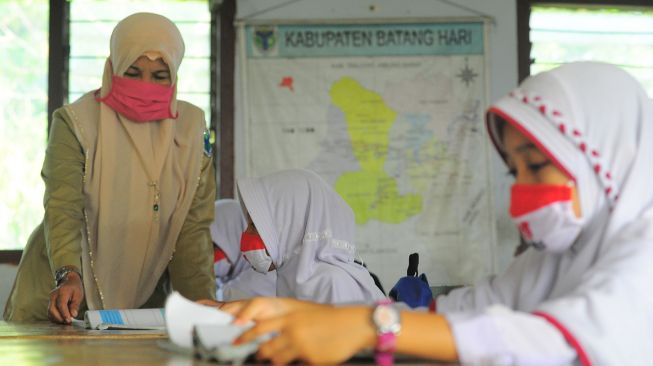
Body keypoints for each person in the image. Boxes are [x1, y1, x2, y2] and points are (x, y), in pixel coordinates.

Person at [218, 62, 653, 365]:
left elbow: (557, 342)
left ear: (610, 160)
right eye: (514, 172)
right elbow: (475, 310)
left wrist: (372, 327)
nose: (521, 193)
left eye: (535, 167)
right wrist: (287, 318)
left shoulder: (644, 247)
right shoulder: (553, 258)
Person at [4, 13, 216, 323]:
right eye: (132, 72)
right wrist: (68, 274)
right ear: (113, 66)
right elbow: (63, 206)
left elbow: (192, 228)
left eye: (159, 76)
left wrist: (202, 305)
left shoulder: (190, 131)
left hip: (140, 295)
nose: (145, 85)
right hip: (63, 294)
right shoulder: (77, 122)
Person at [235, 169, 385, 304]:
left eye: (255, 226)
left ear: (291, 227)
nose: (246, 235)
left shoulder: (331, 283)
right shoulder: (291, 278)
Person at [210, 199, 276, 301]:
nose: (207, 257)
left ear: (234, 235)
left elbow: (219, 301)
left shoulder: (267, 276)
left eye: (213, 247)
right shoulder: (223, 279)